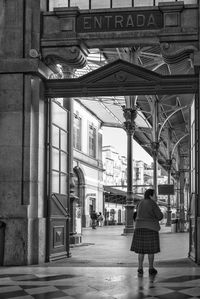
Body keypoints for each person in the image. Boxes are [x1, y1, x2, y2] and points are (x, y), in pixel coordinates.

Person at [130, 188, 163, 276]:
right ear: (150, 195)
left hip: (139, 228)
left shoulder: (140, 202)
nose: (156, 196)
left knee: (141, 250)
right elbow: (160, 216)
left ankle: (140, 268)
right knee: (150, 250)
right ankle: (151, 268)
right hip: (151, 228)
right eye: (155, 195)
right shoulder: (153, 203)